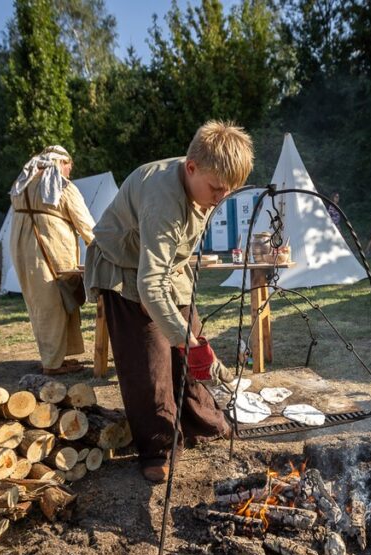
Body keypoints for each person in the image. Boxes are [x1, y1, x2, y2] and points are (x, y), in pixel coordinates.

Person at [84, 121, 254, 483]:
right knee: (149, 362)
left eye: (228, 191)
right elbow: (149, 282)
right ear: (191, 168)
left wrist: (184, 336)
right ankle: (156, 445)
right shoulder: (163, 199)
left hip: (165, 271)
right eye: (217, 190)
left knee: (190, 346)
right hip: (125, 267)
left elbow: (167, 265)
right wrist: (177, 333)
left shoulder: (206, 175)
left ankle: (199, 420)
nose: (220, 198)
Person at [9, 146, 96, 376]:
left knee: (41, 305)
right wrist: (105, 250)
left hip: (23, 252)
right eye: (69, 167)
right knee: (53, 305)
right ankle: (52, 365)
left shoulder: (21, 186)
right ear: (61, 163)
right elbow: (87, 226)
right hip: (50, 252)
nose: (70, 172)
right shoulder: (62, 188)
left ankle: (55, 358)